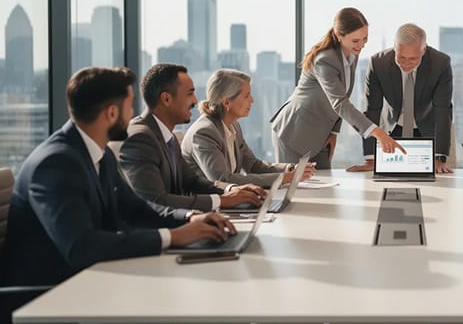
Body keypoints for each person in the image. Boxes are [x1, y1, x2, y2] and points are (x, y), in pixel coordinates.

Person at [0, 67, 236, 287]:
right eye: (130, 106)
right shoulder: (55, 164)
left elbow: (134, 208)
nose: (133, 115)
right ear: (112, 112)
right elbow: (81, 246)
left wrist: (189, 218)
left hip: (90, 277)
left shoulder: (99, 153)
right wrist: (172, 236)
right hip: (48, 294)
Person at [120, 64, 266, 212]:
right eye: (189, 94)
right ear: (166, 99)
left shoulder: (166, 135)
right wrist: (221, 200)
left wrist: (232, 189)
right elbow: (157, 200)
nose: (196, 101)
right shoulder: (141, 138)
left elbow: (191, 181)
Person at [271, 7, 404, 168]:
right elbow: (340, 103)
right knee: (296, 188)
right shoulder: (325, 60)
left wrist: (333, 132)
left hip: (320, 135)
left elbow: (342, 95)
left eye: (365, 39)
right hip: (294, 132)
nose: (361, 45)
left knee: (324, 186)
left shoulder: (351, 54)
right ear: (339, 35)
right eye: (355, 40)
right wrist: (379, 134)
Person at [346, 23, 454, 174]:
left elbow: (442, 110)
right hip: (391, 129)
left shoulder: (440, 63)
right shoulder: (378, 63)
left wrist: (439, 157)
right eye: (401, 57)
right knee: (390, 179)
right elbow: (372, 109)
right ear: (395, 48)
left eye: (413, 59)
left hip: (427, 130)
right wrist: (370, 158)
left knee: (428, 180)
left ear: (424, 50)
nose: (406, 64)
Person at [182, 69, 315, 187]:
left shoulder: (233, 126)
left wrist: (289, 169)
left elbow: (252, 165)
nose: (252, 100)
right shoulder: (204, 133)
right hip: (209, 207)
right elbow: (223, 180)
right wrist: (284, 178)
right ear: (227, 102)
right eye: (246, 95)